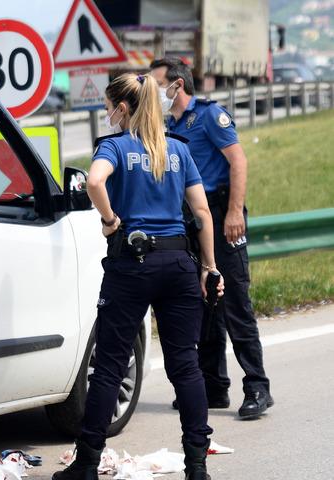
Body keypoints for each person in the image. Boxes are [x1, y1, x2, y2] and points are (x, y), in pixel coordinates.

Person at [52, 73, 223, 480]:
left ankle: (88, 464)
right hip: (180, 265)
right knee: (185, 365)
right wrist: (210, 267)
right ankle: (197, 467)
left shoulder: (115, 145)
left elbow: (93, 181)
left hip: (132, 263)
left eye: (110, 107)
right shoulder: (177, 149)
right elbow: (201, 214)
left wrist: (110, 221)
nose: (108, 115)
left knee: (110, 365)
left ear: (123, 108)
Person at [150, 58, 273, 419]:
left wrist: (235, 212)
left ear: (177, 85)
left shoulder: (209, 116)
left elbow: (238, 161)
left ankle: (257, 388)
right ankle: (214, 386)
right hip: (190, 220)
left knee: (235, 301)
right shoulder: (167, 124)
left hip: (221, 215)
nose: (154, 92)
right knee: (204, 305)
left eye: (158, 84)